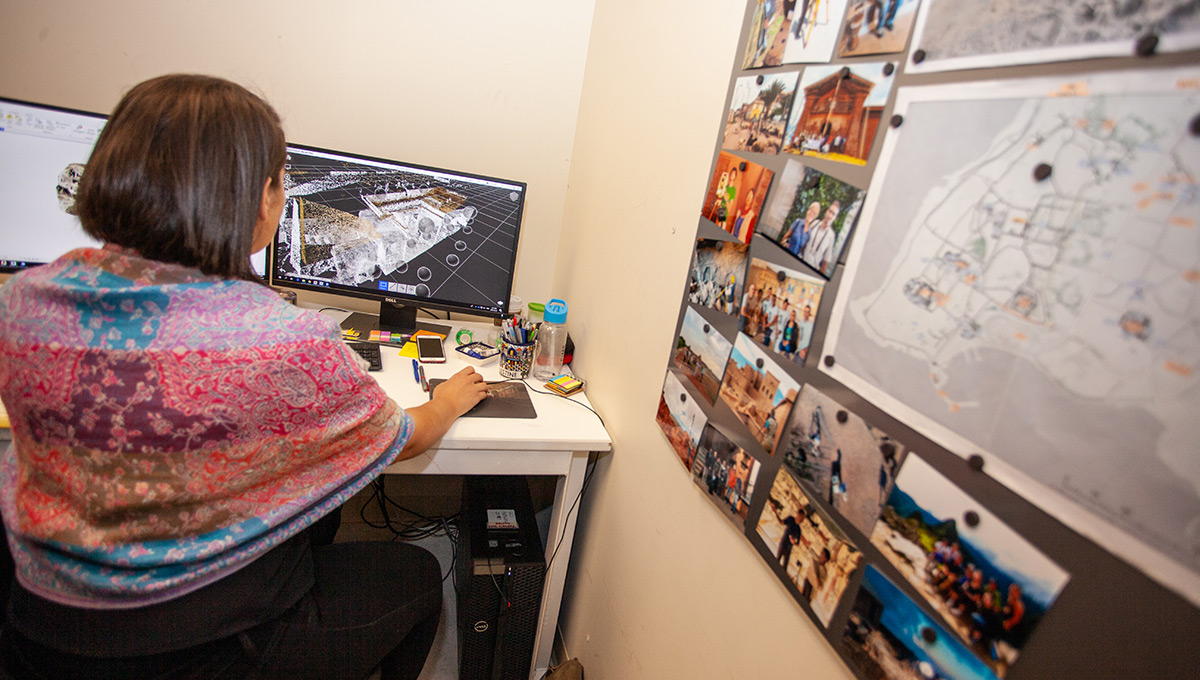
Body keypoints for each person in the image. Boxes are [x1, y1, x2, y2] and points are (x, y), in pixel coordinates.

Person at [0, 74, 488, 680]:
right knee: (413, 577)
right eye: (279, 181)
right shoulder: (287, 339)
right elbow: (403, 438)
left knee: (321, 515)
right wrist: (445, 400)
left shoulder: (21, 302)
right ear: (257, 199)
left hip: (42, 629)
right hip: (203, 646)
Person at [802, 199, 840, 275]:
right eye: (830, 211)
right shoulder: (815, 223)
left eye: (833, 214)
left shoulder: (831, 236)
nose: (830, 215)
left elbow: (825, 262)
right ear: (826, 211)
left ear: (835, 218)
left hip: (812, 271)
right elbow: (803, 241)